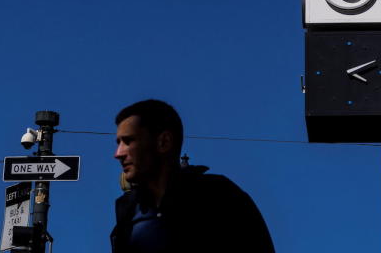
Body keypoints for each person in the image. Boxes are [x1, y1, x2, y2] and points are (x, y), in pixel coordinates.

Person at [110, 99, 275, 253]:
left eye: (129, 141)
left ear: (164, 142)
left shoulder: (219, 197)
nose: (118, 154)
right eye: (119, 143)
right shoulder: (127, 214)